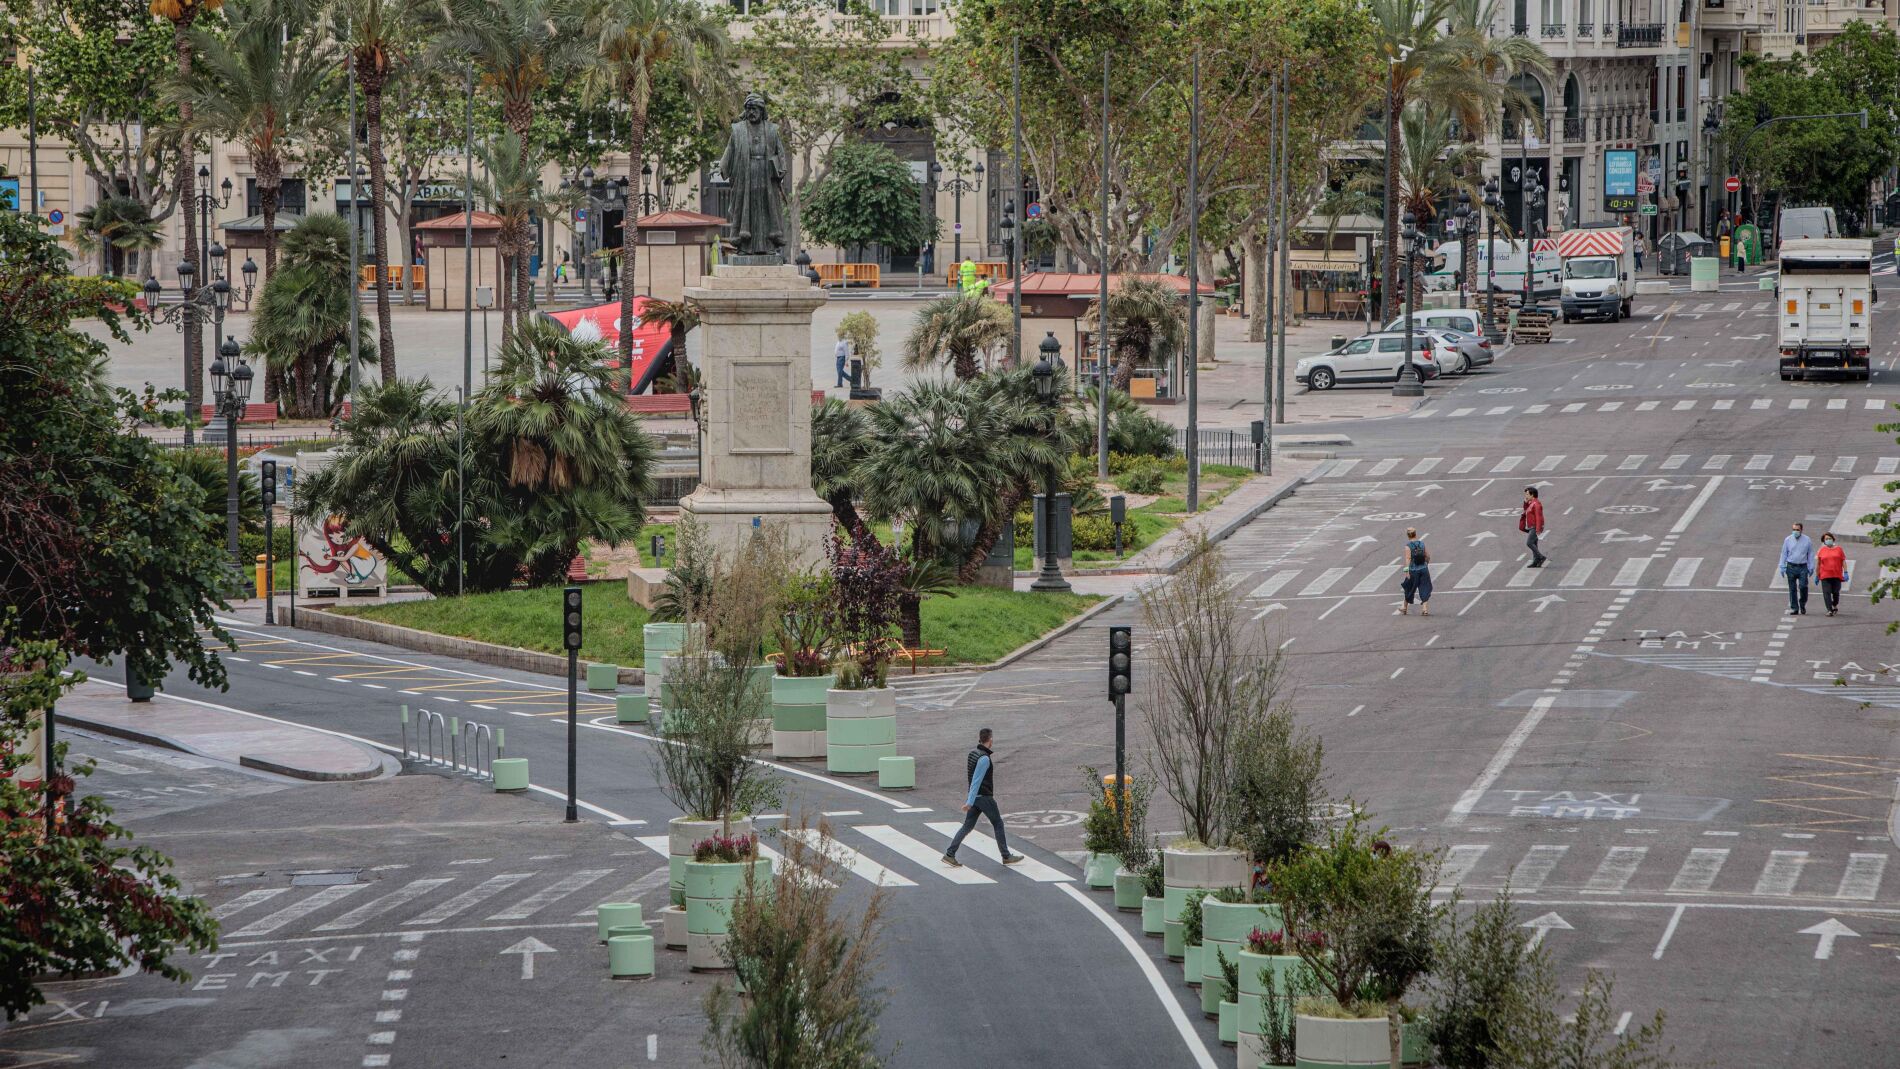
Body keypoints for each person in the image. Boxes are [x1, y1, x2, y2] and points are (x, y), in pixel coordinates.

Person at [943, 727, 1023, 867]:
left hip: (975, 797)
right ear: (990, 740)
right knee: (998, 824)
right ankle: (1006, 856)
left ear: (980, 739)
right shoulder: (984, 758)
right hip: (984, 797)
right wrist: (969, 801)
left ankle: (950, 854)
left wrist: (971, 799)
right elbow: (976, 780)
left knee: (967, 826)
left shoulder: (973, 754)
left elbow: (971, 779)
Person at [1780, 521, 1815, 615]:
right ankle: (1794, 608)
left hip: (1803, 567)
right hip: (1791, 566)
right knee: (1792, 589)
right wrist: (1782, 566)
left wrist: (1811, 567)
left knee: (1803, 586)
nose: (1795, 531)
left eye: (1797, 530)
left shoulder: (1807, 540)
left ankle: (1802, 604)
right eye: (1794, 529)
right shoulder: (1788, 539)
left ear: (1801, 530)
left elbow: (1810, 554)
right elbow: (1784, 553)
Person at [1398, 527, 1432, 616]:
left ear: (1408, 535)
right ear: (1415, 534)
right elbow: (1427, 556)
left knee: (1409, 588)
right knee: (1424, 588)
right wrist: (1426, 564)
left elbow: (1408, 559)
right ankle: (1425, 609)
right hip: (1424, 569)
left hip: (1413, 570)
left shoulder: (1408, 546)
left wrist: (1407, 571)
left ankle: (1404, 607)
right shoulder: (1422, 543)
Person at [1817, 531, 1846, 616]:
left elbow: (1843, 560)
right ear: (1824, 541)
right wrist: (1817, 575)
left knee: (1836, 592)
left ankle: (1834, 604)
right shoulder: (1822, 550)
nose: (1828, 540)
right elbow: (1818, 564)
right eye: (1826, 539)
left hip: (1836, 575)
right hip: (1825, 575)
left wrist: (1846, 572)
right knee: (1827, 592)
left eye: (1829, 538)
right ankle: (1829, 610)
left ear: (1833, 539)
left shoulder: (1839, 549)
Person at [1519, 486, 1548, 568]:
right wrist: (1525, 503)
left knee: (1529, 543)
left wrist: (1538, 529)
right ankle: (1536, 561)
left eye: (1527, 494)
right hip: (1531, 526)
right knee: (1534, 543)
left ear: (1532, 495)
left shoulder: (1536, 504)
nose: (1526, 496)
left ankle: (1541, 557)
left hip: (1534, 526)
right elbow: (1526, 510)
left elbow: (1539, 517)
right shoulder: (1531, 503)